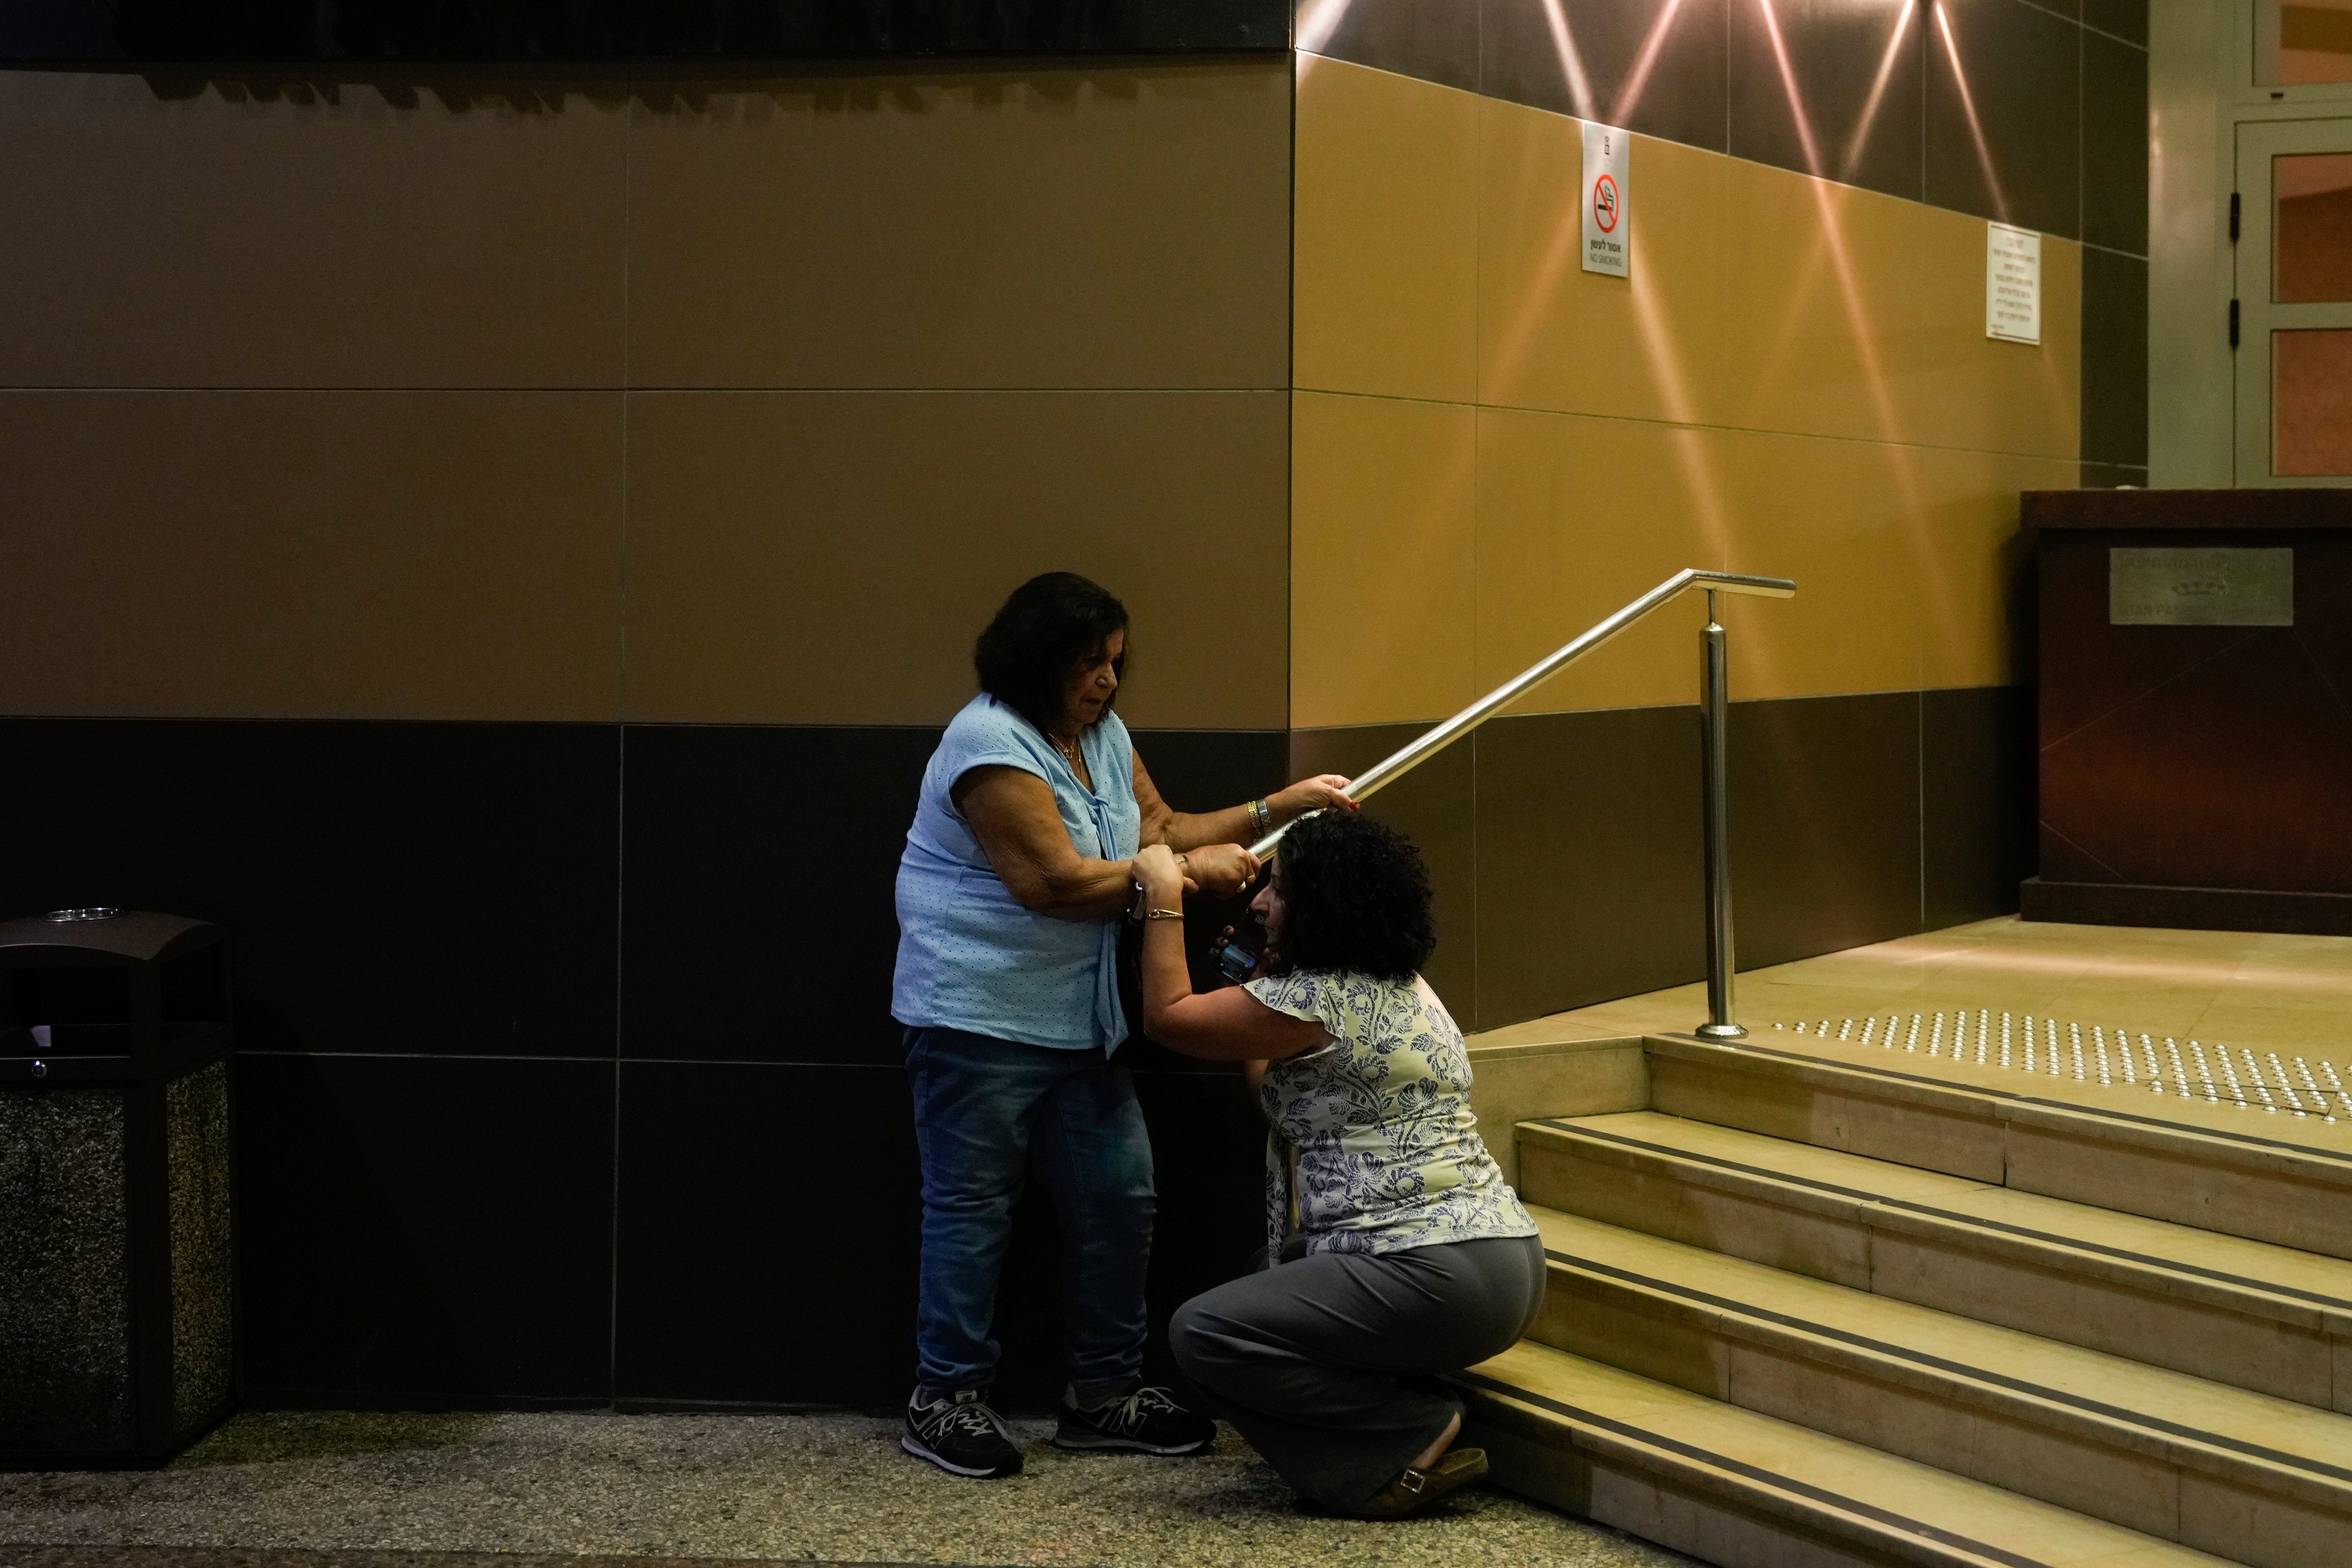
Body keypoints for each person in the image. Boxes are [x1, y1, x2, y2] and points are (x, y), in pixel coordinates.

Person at [892, 571, 1358, 1480]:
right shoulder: (988, 741)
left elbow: (1164, 828)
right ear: (1039, 660)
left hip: (1078, 1021)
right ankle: (941, 1397)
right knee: (971, 1210)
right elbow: (1054, 883)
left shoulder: (1098, 736)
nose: (1106, 681)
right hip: (975, 1016)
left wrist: (1279, 808)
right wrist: (1180, 877)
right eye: (1088, 664)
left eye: (1114, 662)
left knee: (1119, 1198)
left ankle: (1101, 1395)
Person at [1132, 811, 1544, 1519]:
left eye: (1280, 890)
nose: (1259, 904)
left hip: (1431, 1272)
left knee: (1203, 1331)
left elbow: (1169, 1015)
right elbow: (1283, 1096)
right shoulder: (1401, 984)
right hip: (1503, 1261)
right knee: (1273, 1274)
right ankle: (1381, 1441)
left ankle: (1405, 1434)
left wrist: (1162, 889)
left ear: (1323, 904)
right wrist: (1257, 996)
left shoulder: (1315, 1002)